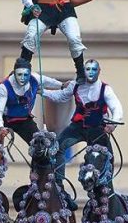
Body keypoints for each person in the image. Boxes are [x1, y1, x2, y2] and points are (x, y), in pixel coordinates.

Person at [44, 59, 123, 198]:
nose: (91, 72)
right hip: (78, 127)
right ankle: (58, 183)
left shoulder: (105, 89)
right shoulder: (75, 85)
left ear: (99, 71)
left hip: (97, 129)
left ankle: (107, 190)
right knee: (57, 146)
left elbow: (116, 107)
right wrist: (43, 92)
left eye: (94, 69)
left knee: (108, 157)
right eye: (88, 69)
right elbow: (61, 96)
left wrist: (113, 123)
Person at [0, 58, 64, 144]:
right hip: (6, 119)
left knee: (40, 146)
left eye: (26, 75)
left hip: (25, 120)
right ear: (14, 73)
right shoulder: (3, 87)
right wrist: (0, 127)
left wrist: (62, 85)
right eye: (19, 74)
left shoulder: (35, 78)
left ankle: (39, 157)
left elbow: (48, 81)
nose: (22, 78)